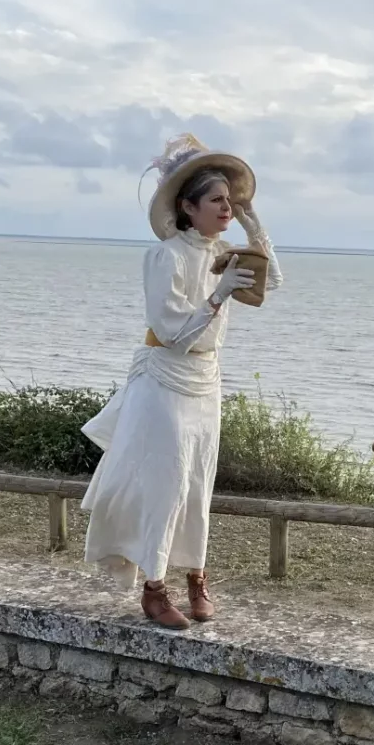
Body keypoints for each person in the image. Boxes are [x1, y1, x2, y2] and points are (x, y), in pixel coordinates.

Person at [81, 133, 284, 630]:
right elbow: (171, 333)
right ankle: (154, 587)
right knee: (166, 482)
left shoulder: (226, 253)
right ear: (188, 208)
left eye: (231, 203)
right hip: (164, 378)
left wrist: (255, 226)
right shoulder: (165, 257)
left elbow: (272, 281)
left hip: (205, 378)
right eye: (217, 201)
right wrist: (217, 295)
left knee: (198, 481)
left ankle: (197, 576)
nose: (227, 210)